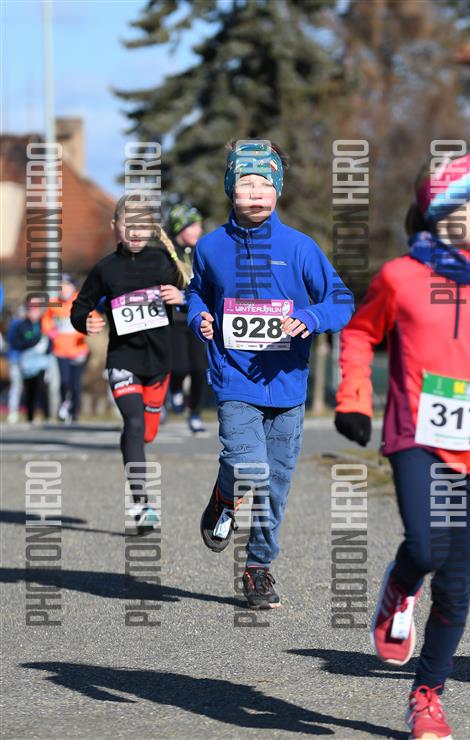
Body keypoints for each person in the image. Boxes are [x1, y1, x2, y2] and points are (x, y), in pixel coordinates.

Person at [335, 151, 470, 740]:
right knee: (426, 549)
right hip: (417, 438)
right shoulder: (400, 277)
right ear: (445, 215)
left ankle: (427, 696)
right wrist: (354, 398)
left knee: (456, 585)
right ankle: (401, 584)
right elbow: (359, 333)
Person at [188, 140, 354, 608]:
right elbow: (197, 292)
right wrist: (197, 316)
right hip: (235, 378)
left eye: (265, 183)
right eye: (246, 183)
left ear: (278, 189)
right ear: (230, 188)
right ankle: (225, 497)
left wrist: (312, 317)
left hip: (288, 385)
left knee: (275, 485)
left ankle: (258, 568)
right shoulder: (210, 247)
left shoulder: (299, 247)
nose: (256, 192)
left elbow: (341, 300)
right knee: (248, 465)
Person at [70, 193, 188, 534]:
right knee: (134, 425)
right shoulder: (105, 269)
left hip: (160, 361)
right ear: (115, 227)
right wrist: (85, 321)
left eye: (142, 226)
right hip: (123, 359)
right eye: (128, 225)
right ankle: (141, 503)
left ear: (151, 229)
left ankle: (140, 437)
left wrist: (180, 297)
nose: (135, 232)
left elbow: (197, 294)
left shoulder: (163, 262)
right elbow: (80, 306)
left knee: (147, 431)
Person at [166, 203, 209, 433]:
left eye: (199, 226)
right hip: (174, 320)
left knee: (200, 369)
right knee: (179, 367)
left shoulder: (202, 251)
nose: (198, 230)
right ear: (179, 228)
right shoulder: (166, 253)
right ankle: (174, 389)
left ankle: (195, 413)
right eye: (192, 226)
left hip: (197, 318)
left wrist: (184, 297)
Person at [42, 275, 89, 423]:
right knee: (64, 381)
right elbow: (46, 320)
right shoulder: (54, 303)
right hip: (60, 350)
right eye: (61, 286)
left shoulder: (80, 301)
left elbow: (93, 316)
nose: (63, 289)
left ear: (73, 287)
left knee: (75, 384)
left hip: (78, 349)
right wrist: (50, 331)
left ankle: (74, 412)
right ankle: (64, 405)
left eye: (66, 285)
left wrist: (89, 327)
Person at [10, 299, 51, 423]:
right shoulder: (22, 325)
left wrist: (46, 348)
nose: (33, 312)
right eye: (31, 309)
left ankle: (47, 415)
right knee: (29, 389)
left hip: (42, 362)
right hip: (27, 363)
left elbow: (51, 340)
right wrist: (34, 343)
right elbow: (17, 343)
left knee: (42, 387)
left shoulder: (44, 323)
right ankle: (30, 416)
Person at [6, 308, 24, 423]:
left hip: (28, 361)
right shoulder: (15, 324)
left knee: (17, 386)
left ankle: (15, 412)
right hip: (17, 359)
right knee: (16, 386)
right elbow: (13, 341)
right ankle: (13, 412)